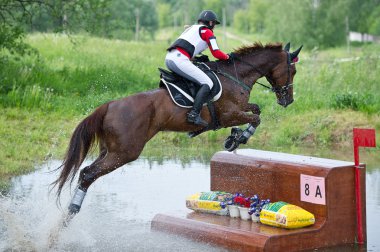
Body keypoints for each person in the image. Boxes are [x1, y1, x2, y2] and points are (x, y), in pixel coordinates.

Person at [165, 10, 230, 127]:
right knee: (207, 83)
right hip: (179, 60)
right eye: (214, 23)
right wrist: (227, 56)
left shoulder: (191, 29)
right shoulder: (207, 32)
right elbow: (216, 53)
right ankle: (193, 114)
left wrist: (196, 59)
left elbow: (188, 49)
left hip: (169, 58)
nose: (214, 26)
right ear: (210, 22)